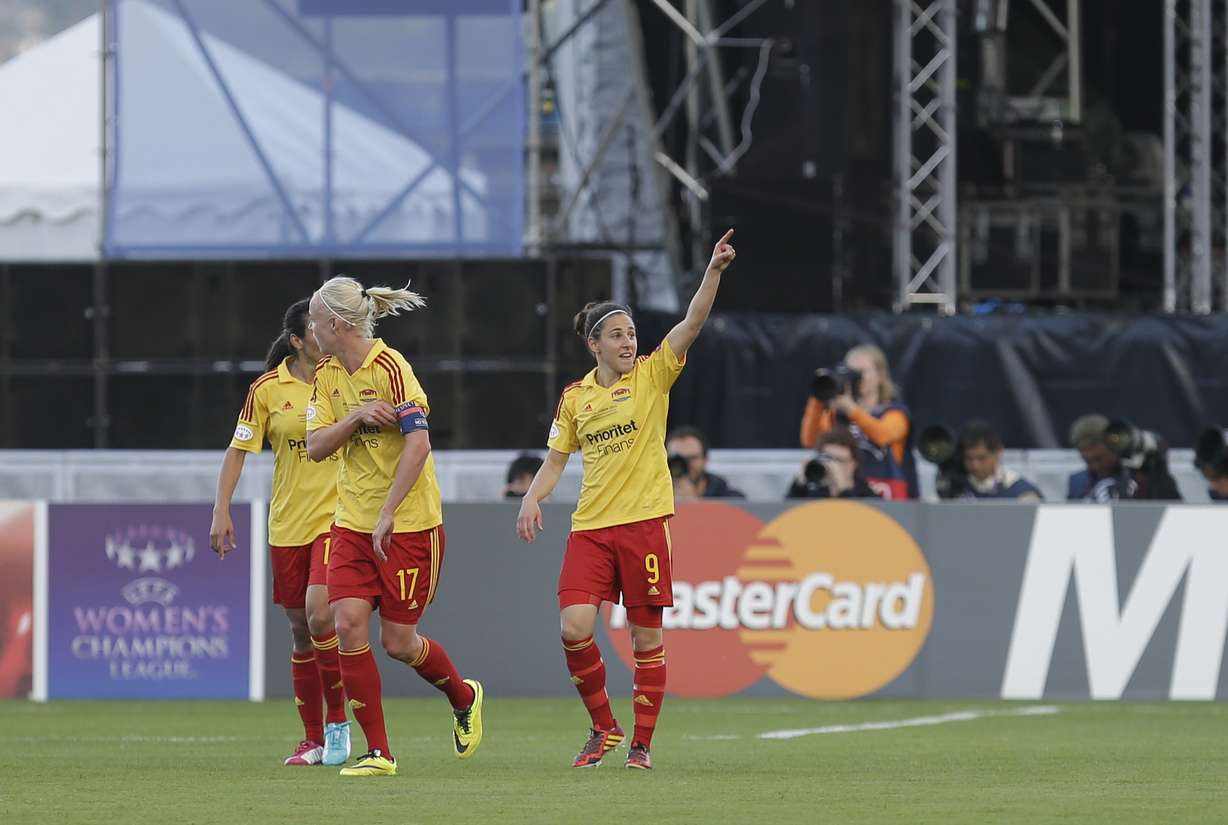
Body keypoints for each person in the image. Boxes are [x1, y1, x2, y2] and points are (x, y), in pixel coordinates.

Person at [515, 229, 738, 770]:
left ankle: (641, 744)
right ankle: (602, 727)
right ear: (594, 344)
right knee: (573, 627)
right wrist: (533, 499)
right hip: (591, 526)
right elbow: (556, 458)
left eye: (631, 332)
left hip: (644, 523)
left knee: (645, 638)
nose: (627, 341)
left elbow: (692, 324)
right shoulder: (575, 397)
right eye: (615, 334)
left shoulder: (652, 376)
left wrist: (711, 272)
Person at [304, 276, 484, 777]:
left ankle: (463, 695)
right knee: (346, 625)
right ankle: (379, 752)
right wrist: (358, 417)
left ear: (336, 323)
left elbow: (419, 444)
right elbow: (316, 446)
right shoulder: (325, 373)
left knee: (398, 643)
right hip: (351, 524)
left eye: (316, 320)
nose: (311, 328)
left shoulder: (391, 367)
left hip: (409, 526)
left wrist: (388, 513)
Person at [209, 298, 351, 767]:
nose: (326, 332)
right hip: (288, 522)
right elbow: (237, 450)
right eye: (317, 326)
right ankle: (311, 739)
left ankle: (338, 728)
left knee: (319, 613)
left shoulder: (345, 377)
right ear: (297, 340)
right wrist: (221, 509)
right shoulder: (268, 389)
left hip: (338, 517)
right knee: (299, 630)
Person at [798, 345, 916, 499]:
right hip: (845, 492)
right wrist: (818, 397)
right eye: (852, 373)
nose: (857, 379)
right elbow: (810, 441)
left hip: (886, 494)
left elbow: (883, 435)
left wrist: (851, 409)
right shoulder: (837, 414)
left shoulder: (895, 413)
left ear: (880, 375)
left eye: (862, 372)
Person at [1066, 414, 1181, 501]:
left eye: (1099, 459)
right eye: (1087, 461)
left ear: (1115, 447)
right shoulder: (1077, 483)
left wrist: (1158, 467)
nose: (1095, 466)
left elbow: (1173, 511)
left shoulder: (1144, 477)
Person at [956, 420, 1042, 501]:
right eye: (969, 458)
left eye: (981, 458)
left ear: (998, 452)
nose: (975, 465)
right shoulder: (952, 487)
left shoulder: (1023, 493)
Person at [786, 428, 880, 499]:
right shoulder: (812, 494)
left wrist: (844, 490)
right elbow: (785, 517)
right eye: (828, 458)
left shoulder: (868, 496)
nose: (832, 465)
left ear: (854, 463)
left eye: (839, 460)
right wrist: (799, 486)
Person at [665, 426, 745, 498]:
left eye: (692, 458)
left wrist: (692, 502)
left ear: (705, 459)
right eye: (677, 460)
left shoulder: (727, 497)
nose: (685, 465)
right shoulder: (654, 494)